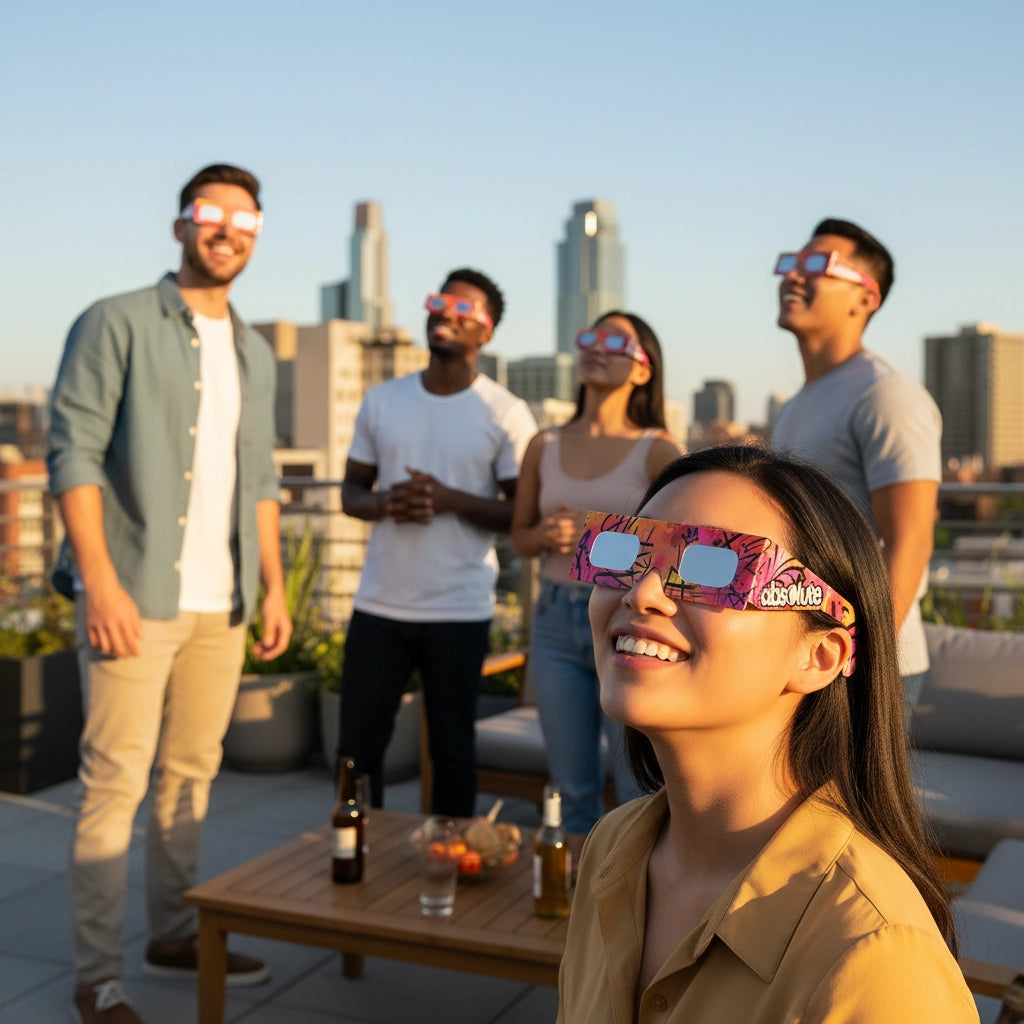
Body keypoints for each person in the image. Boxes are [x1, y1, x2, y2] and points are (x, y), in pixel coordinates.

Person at [555, 445, 977, 1022]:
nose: (642, 592)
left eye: (713, 567)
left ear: (821, 656)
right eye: (627, 551)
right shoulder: (612, 850)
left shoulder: (873, 957)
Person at [48, 163, 291, 1024]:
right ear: (181, 224)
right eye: (210, 213)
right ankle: (94, 976)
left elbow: (258, 476)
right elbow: (72, 452)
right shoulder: (114, 321)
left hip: (219, 606)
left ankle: (173, 933)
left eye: (244, 219)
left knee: (191, 776)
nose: (227, 230)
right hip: (133, 593)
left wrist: (273, 587)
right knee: (114, 784)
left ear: (257, 235)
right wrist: (99, 583)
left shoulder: (254, 350)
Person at [338, 268, 536, 816]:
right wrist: (384, 502)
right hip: (379, 605)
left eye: (464, 310)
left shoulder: (505, 413)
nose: (447, 314)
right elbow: (350, 493)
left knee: (452, 752)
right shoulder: (383, 400)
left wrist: (453, 499)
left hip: (458, 609)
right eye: (440, 302)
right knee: (357, 750)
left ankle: (449, 866)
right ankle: (354, 856)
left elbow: (520, 513)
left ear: (486, 333)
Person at [510, 311, 681, 833]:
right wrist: (547, 537)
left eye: (615, 341)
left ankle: (637, 907)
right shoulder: (544, 444)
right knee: (569, 786)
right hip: (557, 619)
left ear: (643, 370)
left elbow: (678, 549)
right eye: (590, 337)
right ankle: (579, 905)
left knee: (637, 788)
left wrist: (592, 536)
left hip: (626, 622)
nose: (596, 347)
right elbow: (519, 537)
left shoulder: (660, 451)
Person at [770, 218, 941, 713]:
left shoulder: (886, 395)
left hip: (864, 665)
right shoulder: (798, 403)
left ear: (865, 298)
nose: (795, 277)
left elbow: (910, 539)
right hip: (813, 655)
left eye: (819, 265)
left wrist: (865, 660)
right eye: (792, 263)